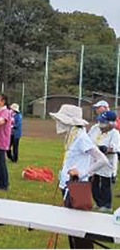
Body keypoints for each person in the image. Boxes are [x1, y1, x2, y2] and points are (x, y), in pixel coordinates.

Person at [49, 104, 109, 248]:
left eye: (62, 120)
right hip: (67, 187)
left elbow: (102, 160)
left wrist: (82, 173)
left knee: (80, 231)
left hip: (77, 188)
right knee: (71, 228)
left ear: (69, 121)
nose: (59, 123)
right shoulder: (72, 136)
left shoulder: (81, 137)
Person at [88, 110, 119, 213]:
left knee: (105, 184)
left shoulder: (115, 134)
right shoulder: (95, 128)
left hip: (106, 162)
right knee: (93, 182)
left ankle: (107, 205)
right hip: (93, 160)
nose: (101, 124)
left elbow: (114, 148)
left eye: (104, 122)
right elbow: (88, 139)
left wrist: (104, 149)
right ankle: (99, 202)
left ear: (111, 124)